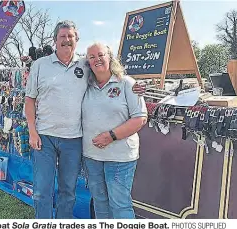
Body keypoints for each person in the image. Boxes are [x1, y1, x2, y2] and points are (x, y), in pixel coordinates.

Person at [23, 20, 145, 219]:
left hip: (73, 140)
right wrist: (32, 131)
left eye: (70, 36)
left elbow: (109, 72)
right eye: (62, 36)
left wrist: (138, 86)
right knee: (41, 192)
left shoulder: (85, 64)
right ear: (55, 40)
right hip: (44, 138)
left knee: (68, 192)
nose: (66, 40)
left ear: (76, 40)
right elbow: (29, 100)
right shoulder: (40, 65)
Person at [81, 42, 147, 219]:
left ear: (110, 57)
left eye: (101, 55)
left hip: (120, 158)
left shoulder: (127, 84)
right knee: (100, 203)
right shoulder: (85, 87)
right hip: (92, 157)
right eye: (92, 57)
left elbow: (140, 118)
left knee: (120, 206)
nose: (97, 60)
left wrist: (110, 136)